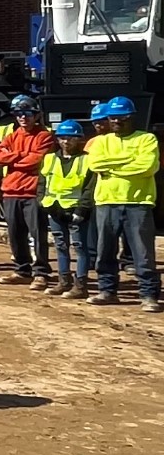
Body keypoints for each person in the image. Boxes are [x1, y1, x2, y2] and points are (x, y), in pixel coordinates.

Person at [87, 97, 159, 311]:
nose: (117, 121)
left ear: (132, 117)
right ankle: (107, 290)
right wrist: (129, 160)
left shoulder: (146, 139)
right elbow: (95, 163)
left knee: (143, 253)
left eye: (122, 117)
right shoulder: (100, 142)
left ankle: (148, 294)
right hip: (107, 202)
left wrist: (112, 169)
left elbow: (147, 167)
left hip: (138, 202)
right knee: (105, 251)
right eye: (113, 117)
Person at [0, 95, 56, 289]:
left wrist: (13, 159)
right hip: (11, 192)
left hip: (32, 192)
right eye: (19, 114)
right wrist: (20, 156)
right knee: (15, 234)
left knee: (37, 234)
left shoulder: (44, 136)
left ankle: (41, 272)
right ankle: (22, 270)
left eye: (27, 113)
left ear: (36, 115)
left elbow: (36, 160)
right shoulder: (12, 135)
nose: (23, 118)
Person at [40, 120, 96, 300]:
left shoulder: (86, 160)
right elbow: (42, 184)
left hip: (76, 210)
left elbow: (90, 187)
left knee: (80, 247)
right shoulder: (49, 158)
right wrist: (45, 203)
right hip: (55, 209)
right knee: (60, 245)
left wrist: (82, 210)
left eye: (71, 138)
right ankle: (64, 281)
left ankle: (80, 285)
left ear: (79, 139)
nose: (66, 142)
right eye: (62, 138)